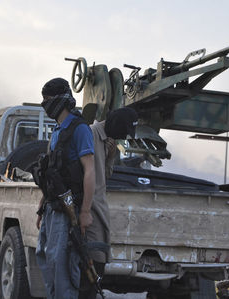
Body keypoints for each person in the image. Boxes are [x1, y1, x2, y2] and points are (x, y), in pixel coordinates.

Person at [35, 78, 95, 299]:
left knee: (62, 266)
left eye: (48, 100)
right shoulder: (58, 131)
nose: (45, 104)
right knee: (46, 258)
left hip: (68, 209)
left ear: (61, 100)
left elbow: (90, 171)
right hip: (52, 207)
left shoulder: (80, 130)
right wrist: (42, 207)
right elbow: (51, 172)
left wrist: (86, 211)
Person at [79, 107, 138, 299]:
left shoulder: (110, 141)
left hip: (100, 209)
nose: (123, 137)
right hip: (90, 210)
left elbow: (104, 175)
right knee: (92, 264)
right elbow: (84, 173)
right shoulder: (90, 134)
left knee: (99, 263)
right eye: (123, 132)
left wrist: (111, 156)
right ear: (114, 125)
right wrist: (85, 211)